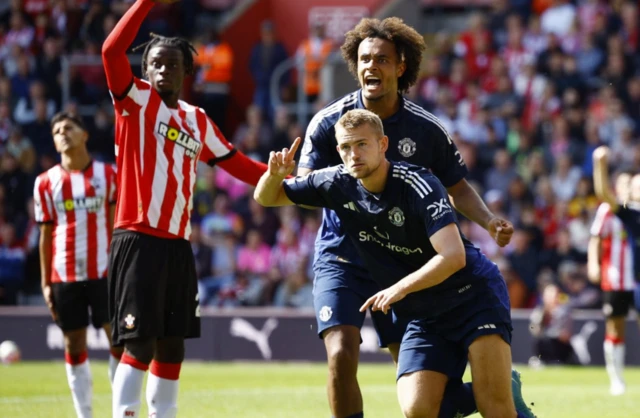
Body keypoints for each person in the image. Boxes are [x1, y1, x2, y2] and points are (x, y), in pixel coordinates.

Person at [297, 17, 513, 418]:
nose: (370, 67)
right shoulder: (330, 124)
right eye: (364, 59)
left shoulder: (425, 128)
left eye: (381, 59)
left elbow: (457, 184)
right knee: (341, 353)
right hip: (342, 258)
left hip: (402, 263)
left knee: (424, 396)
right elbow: (303, 186)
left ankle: (493, 392)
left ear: (401, 66)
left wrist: (488, 220)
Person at [255, 109, 535, 418]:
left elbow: (453, 257)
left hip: (472, 297)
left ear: (383, 144)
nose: (354, 154)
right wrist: (274, 175)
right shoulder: (335, 182)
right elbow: (266, 198)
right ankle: (494, 389)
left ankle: (496, 394)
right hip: (424, 312)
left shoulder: (420, 183)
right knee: (417, 409)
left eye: (362, 144)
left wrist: (398, 288)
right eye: (346, 147)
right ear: (338, 151)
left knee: (494, 409)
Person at [101, 1, 270, 416]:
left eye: (172, 65)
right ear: (145, 70)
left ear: (187, 72)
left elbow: (240, 166)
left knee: (172, 346)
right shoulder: (134, 101)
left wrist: (286, 176)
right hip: (138, 239)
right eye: (156, 64)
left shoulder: (198, 120)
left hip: (178, 246)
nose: (163, 71)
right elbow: (109, 53)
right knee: (138, 342)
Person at [34, 111, 123, 418]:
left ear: (84, 135)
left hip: (105, 272)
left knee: (119, 340)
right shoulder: (45, 184)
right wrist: (46, 283)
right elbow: (45, 235)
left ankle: (121, 409)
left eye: (69, 127)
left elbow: (117, 225)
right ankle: (84, 414)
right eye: (57, 130)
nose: (62, 133)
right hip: (64, 274)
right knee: (74, 343)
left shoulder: (108, 176)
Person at [591, 147, 640, 396]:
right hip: (618, 278)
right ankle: (617, 380)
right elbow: (596, 238)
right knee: (615, 327)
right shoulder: (624, 213)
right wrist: (599, 165)